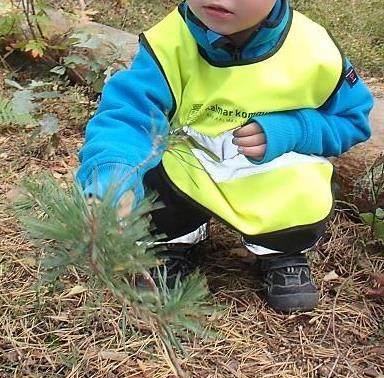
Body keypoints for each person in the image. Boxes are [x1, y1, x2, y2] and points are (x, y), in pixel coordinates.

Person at [76, 0, 373, 313]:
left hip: (272, 174)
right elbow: (129, 115)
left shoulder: (315, 50)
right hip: (190, 168)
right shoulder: (170, 40)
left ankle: (283, 250)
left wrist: (295, 129)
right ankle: (173, 240)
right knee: (152, 169)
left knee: (302, 190)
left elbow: (353, 120)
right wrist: (112, 177)